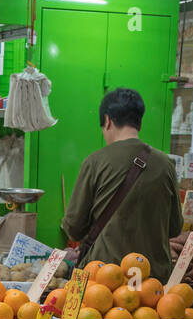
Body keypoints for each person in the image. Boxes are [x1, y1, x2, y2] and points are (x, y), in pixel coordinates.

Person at [61, 88, 182, 281]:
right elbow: (175, 228)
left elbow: (74, 228)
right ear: (139, 122)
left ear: (107, 120)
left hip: (105, 278)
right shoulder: (166, 164)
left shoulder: (95, 162)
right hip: (152, 280)